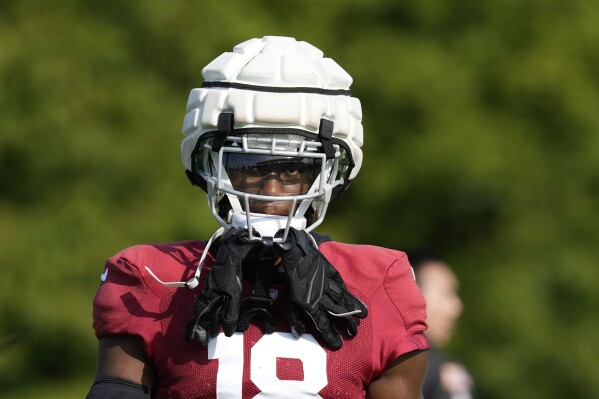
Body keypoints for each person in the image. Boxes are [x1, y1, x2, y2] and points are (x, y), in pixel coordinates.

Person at [87, 36, 429, 399]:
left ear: (328, 173)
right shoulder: (152, 278)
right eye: (249, 167)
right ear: (210, 166)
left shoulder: (379, 282)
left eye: (294, 169)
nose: (272, 191)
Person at [408, 251, 475, 399]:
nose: (457, 308)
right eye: (446, 293)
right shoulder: (447, 374)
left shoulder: (368, 365)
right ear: (413, 295)